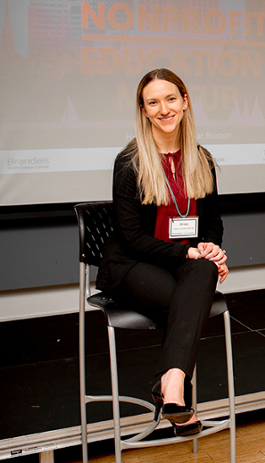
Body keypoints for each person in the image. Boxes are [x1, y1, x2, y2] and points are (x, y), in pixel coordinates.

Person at [96, 68, 228, 437]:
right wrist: (187, 255)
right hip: (132, 263)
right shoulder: (130, 163)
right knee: (190, 300)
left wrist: (211, 248)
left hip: (181, 264)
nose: (163, 108)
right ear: (143, 110)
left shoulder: (201, 158)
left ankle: (169, 385)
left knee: (203, 272)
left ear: (185, 101)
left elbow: (213, 221)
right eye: (153, 102)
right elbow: (132, 236)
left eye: (171, 99)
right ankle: (176, 389)